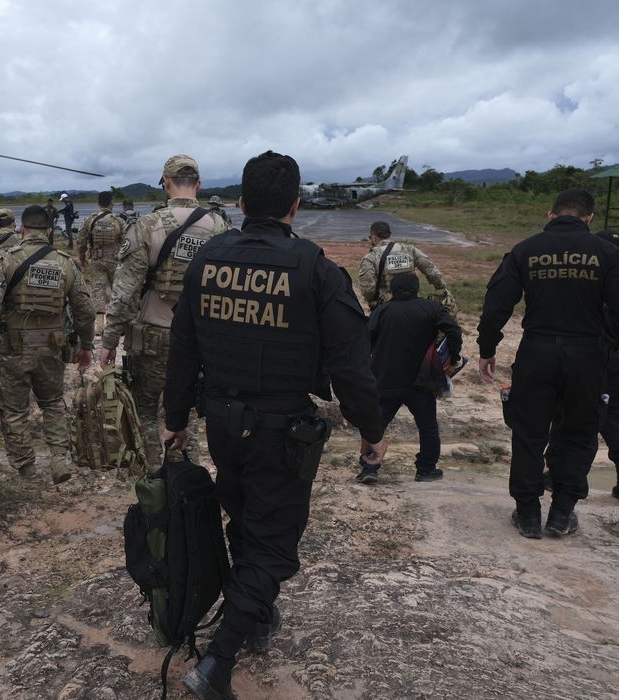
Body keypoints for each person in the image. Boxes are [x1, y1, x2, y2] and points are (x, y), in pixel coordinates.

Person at [162, 150, 386, 699]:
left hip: (221, 421)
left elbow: (183, 346)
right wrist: (370, 429)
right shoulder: (315, 269)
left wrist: (174, 419)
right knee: (274, 541)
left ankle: (256, 617)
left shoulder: (208, 259)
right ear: (296, 204)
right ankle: (217, 663)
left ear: (241, 203)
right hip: (282, 429)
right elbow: (351, 363)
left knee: (243, 517)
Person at [477, 190, 619, 539]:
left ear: (550, 214)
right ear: (589, 218)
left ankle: (526, 514)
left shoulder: (525, 250)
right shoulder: (608, 254)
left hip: (536, 351)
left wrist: (487, 347)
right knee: (580, 433)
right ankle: (561, 513)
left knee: (528, 434)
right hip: (588, 356)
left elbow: (496, 303)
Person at [98, 154, 229, 466]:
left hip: (153, 338)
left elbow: (125, 290)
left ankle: (155, 480)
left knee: (144, 411)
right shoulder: (220, 228)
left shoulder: (147, 226)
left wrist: (109, 340)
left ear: (166, 184)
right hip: (200, 338)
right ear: (197, 184)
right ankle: (190, 478)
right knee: (187, 413)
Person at [0, 205, 95, 484]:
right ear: (49, 231)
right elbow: (85, 310)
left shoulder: (6, 260)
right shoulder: (66, 263)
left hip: (12, 348)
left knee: (14, 410)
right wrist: (85, 345)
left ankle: (27, 469)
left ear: (21, 230)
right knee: (52, 403)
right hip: (52, 347)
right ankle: (59, 459)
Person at [545, 228, 619, 503]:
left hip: (572, 355)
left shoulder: (580, 277)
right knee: (611, 418)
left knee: (563, 413)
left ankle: (557, 474)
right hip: (607, 358)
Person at [358, 273, 462, 484]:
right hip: (421, 380)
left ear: (393, 289)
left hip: (385, 379)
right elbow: (453, 329)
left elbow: (365, 339)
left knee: (375, 426)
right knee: (428, 427)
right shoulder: (431, 308)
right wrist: (454, 355)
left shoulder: (382, 310)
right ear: (416, 289)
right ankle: (425, 469)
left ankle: (370, 468)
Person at [357, 220, 455, 312]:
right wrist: (440, 288)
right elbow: (431, 270)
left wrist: (372, 302)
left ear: (374, 238)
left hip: (387, 309)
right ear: (389, 235)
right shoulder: (409, 249)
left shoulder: (371, 257)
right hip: (414, 305)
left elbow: (368, 288)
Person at [76, 191, 127, 313]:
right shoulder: (119, 221)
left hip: (97, 260)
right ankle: (116, 320)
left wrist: (82, 258)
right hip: (116, 261)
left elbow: (81, 240)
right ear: (111, 203)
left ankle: (99, 324)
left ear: (98, 203)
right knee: (117, 290)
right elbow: (128, 241)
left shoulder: (90, 220)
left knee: (98, 290)